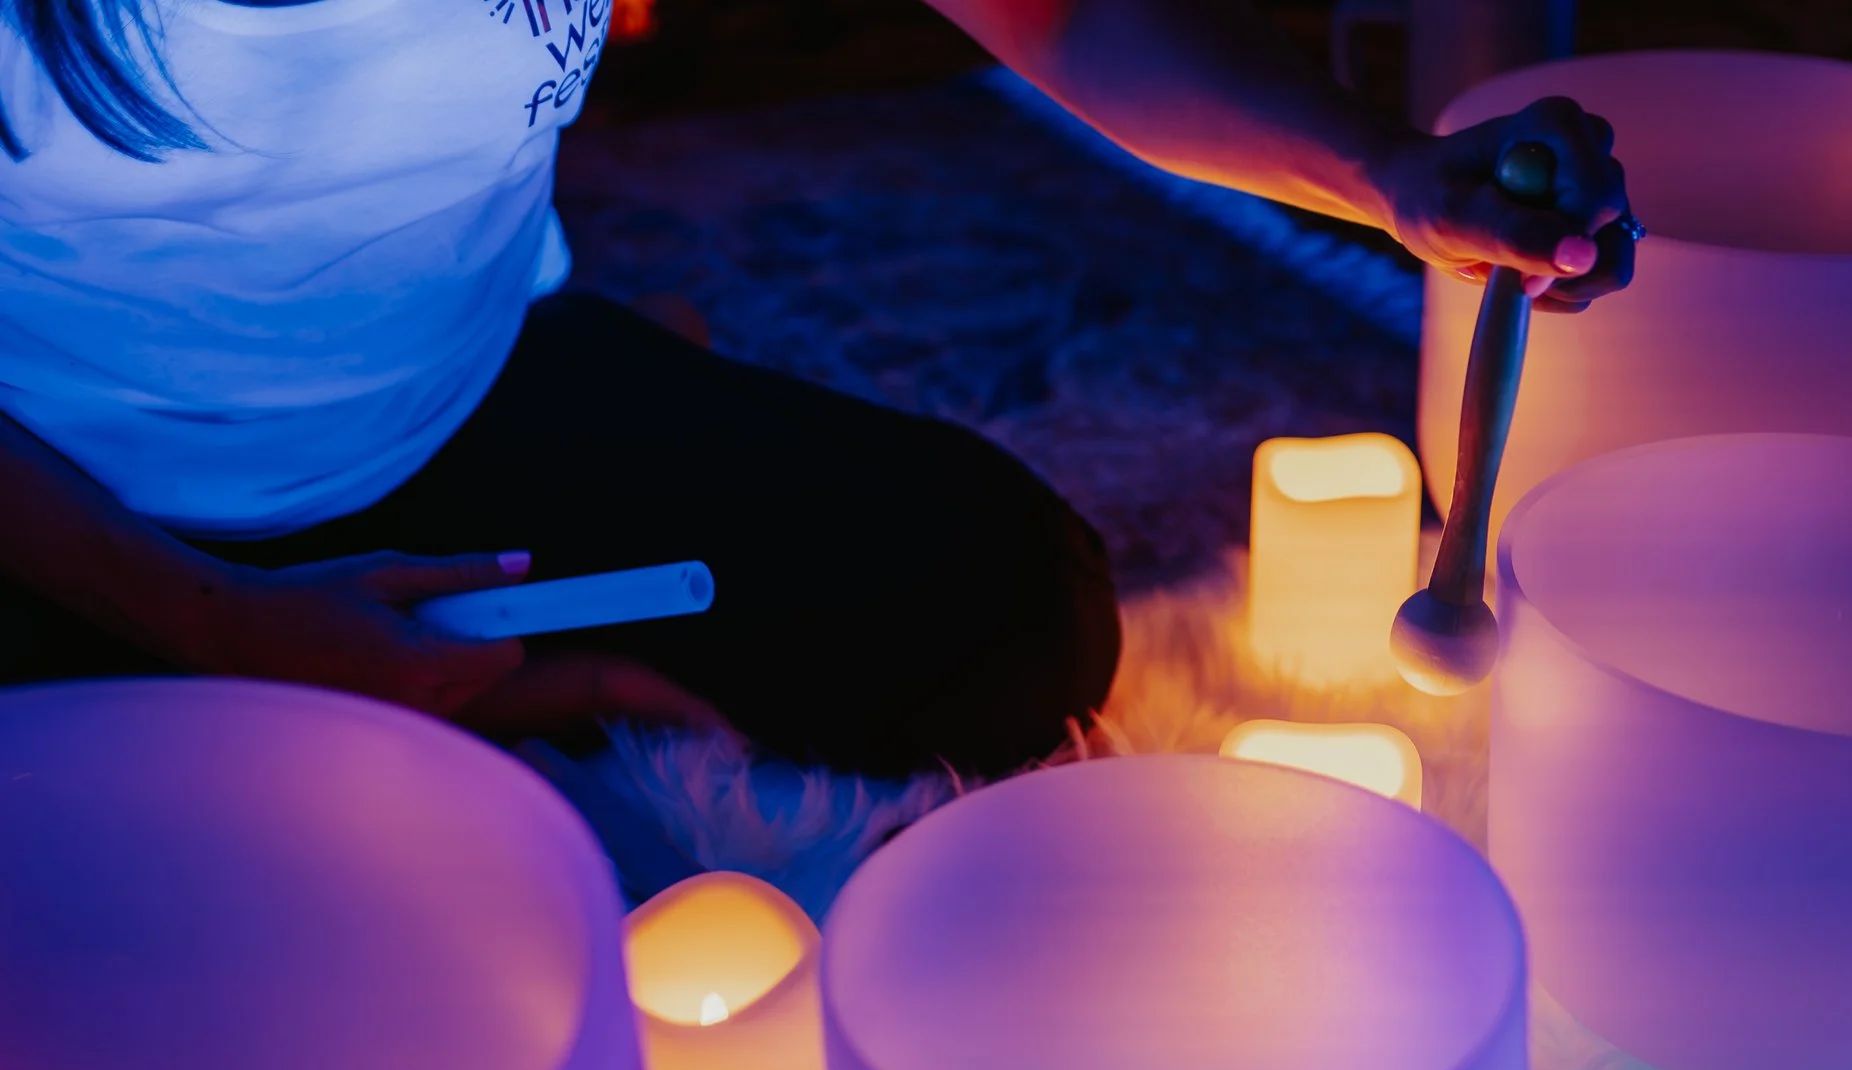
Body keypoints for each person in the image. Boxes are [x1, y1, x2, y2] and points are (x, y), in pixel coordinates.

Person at [0, 0, 1633, 778]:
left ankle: (437, 697)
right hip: (70, 516)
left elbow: (1066, 20)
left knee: (1006, 610)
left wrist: (1393, 173)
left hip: (466, 402)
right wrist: (213, 621)